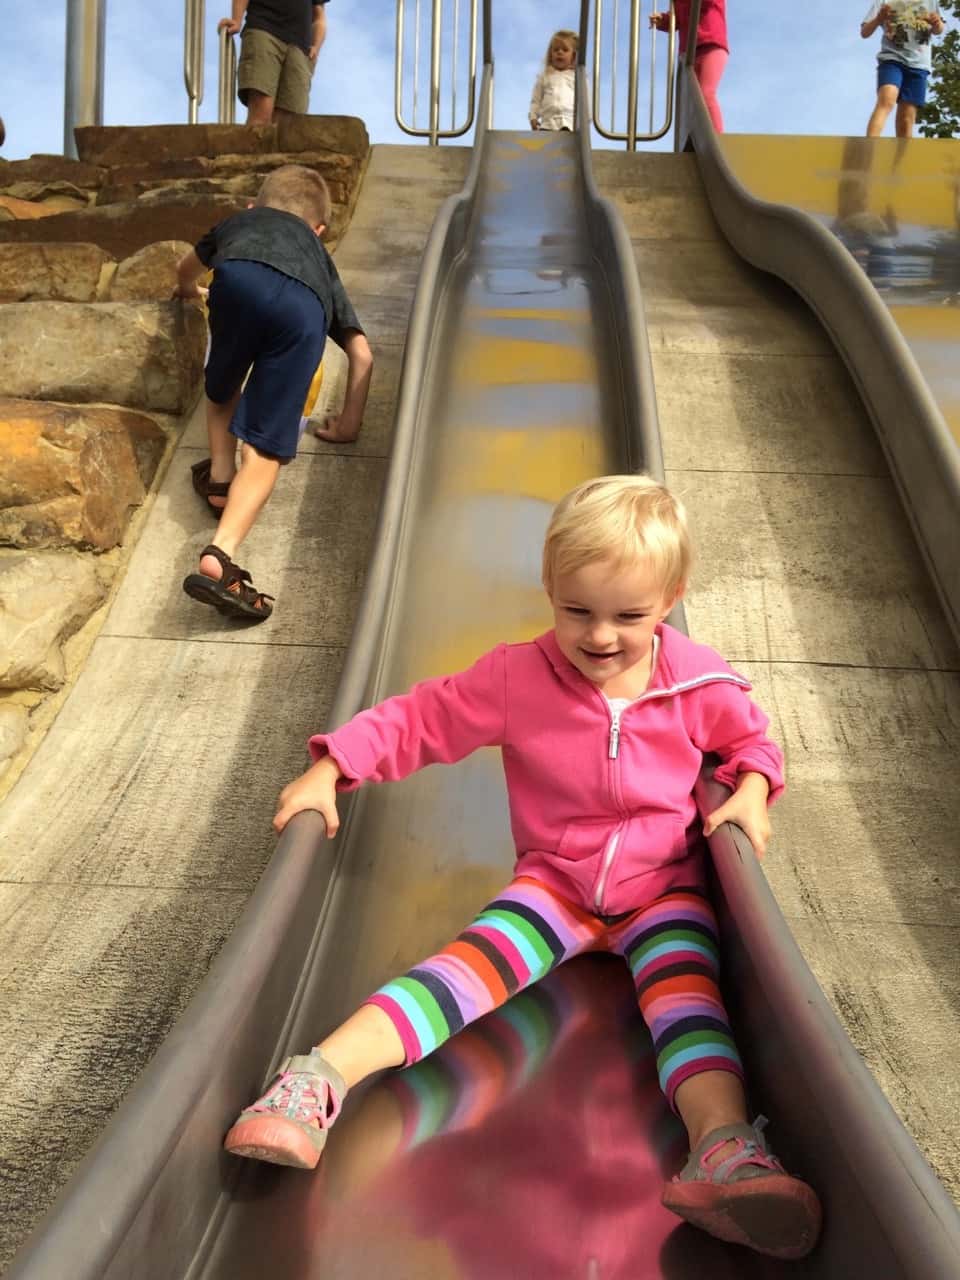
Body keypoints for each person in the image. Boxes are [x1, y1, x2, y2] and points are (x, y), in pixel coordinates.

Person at [222, 474, 823, 1260]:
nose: (600, 635)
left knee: (690, 1009)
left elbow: (753, 739)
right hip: (557, 887)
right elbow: (421, 719)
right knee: (460, 974)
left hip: (665, 892)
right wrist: (334, 766)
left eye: (628, 616)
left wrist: (752, 790)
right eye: (577, 610)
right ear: (548, 587)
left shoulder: (699, 682)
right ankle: (317, 1078)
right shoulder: (517, 679)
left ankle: (724, 1151)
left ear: (671, 597)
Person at [174, 164, 372, 622]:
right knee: (264, 446)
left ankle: (221, 477)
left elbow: (189, 265)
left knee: (222, 381)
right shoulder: (321, 260)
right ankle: (220, 555)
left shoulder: (242, 222)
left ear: (253, 205)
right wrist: (347, 425)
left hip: (237, 280)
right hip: (304, 309)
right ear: (318, 230)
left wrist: (187, 289)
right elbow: (362, 356)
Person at [219, 1, 329, 125]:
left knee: (289, 124)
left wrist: (316, 46)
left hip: (300, 48)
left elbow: (319, 16)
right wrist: (236, 19)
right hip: (264, 29)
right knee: (261, 113)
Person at [862, 2, 945, 138]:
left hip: (918, 65)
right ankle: (870, 145)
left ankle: (903, 158)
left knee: (906, 118)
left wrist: (937, 23)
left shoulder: (930, 2)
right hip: (892, 59)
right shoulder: (884, 2)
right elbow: (865, 32)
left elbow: (939, 29)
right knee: (887, 99)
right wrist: (879, 19)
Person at [651, 0, 728, 133]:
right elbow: (679, 19)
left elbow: (708, 3)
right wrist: (663, 20)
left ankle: (717, 139)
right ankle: (698, 140)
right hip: (689, 53)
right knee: (692, 101)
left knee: (705, 93)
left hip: (710, 44)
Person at [529, 30, 578, 131]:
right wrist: (533, 117)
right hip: (547, 123)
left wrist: (584, 121)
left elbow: (585, 101)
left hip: (569, 123)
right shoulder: (545, 76)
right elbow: (536, 100)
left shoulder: (576, 77)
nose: (560, 52)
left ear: (573, 56)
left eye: (565, 50)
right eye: (556, 50)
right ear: (551, 55)